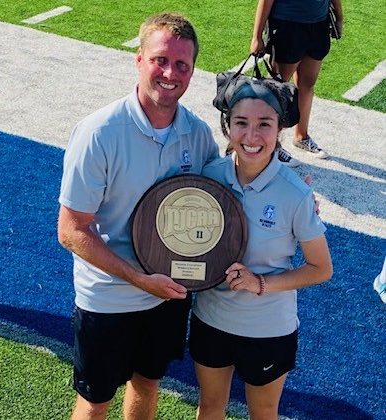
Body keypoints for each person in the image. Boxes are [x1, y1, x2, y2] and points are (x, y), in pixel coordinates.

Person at [57, 12, 220, 420]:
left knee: (148, 384)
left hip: (169, 290)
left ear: (193, 70)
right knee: (96, 402)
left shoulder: (198, 134)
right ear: (138, 59)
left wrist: (295, 196)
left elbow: (224, 202)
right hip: (109, 296)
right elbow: (71, 230)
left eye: (182, 64)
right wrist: (139, 279)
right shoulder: (99, 132)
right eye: (160, 60)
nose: (170, 73)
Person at [189, 76, 333, 419]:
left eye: (264, 124)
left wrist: (261, 284)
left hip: (268, 329)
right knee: (209, 407)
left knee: (263, 413)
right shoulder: (209, 176)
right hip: (211, 318)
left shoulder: (296, 193)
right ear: (227, 126)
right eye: (241, 123)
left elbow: (321, 269)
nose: (251, 137)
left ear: (279, 129)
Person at [250, 0, 344, 167]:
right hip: (288, 25)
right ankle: (271, 145)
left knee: (307, 85)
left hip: (319, 25)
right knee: (278, 90)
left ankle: (302, 136)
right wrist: (256, 36)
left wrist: (339, 17)